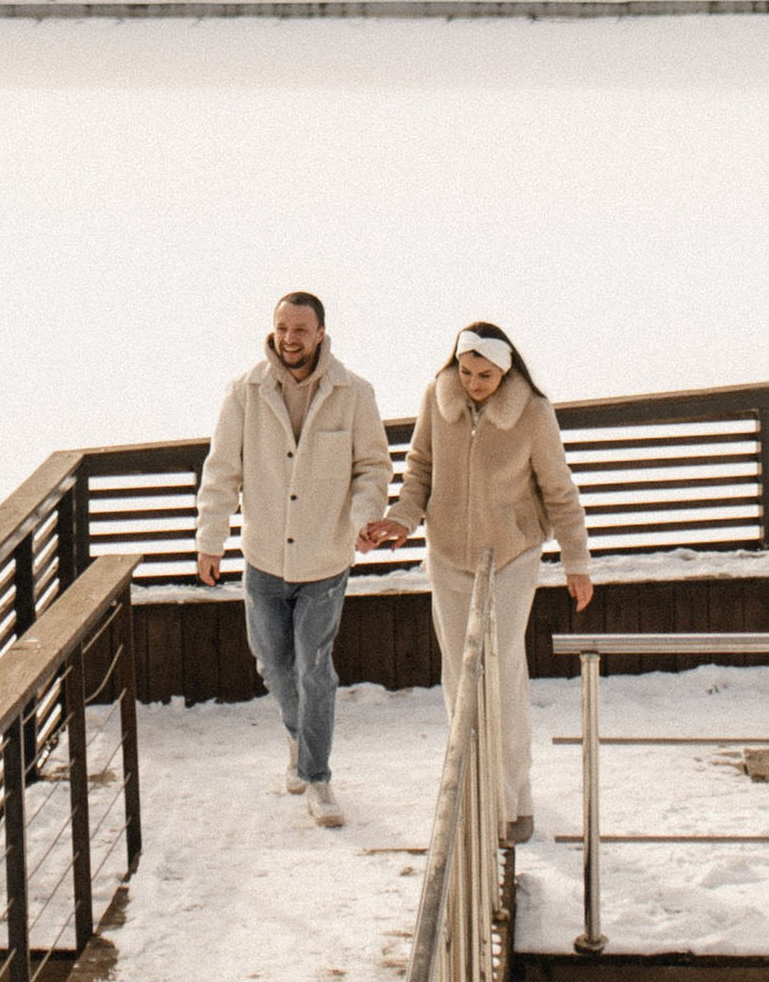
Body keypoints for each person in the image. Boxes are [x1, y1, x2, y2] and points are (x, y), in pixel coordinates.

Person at [363, 322, 591, 841]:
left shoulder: (533, 413)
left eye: (484, 375)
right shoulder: (437, 397)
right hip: (448, 555)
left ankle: (512, 798)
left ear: (505, 370)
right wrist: (402, 519)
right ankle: (473, 789)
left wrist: (576, 563)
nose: (472, 382)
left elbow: (559, 491)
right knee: (460, 675)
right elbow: (420, 469)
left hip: (511, 555)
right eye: (465, 371)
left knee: (501, 671)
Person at [196, 289, 391, 831]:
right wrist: (210, 539)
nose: (289, 339)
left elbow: (373, 468)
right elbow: (222, 470)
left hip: (325, 559)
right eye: (283, 328)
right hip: (263, 556)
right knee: (272, 664)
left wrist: (364, 518)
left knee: (314, 668)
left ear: (320, 333)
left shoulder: (355, 394)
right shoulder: (245, 391)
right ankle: (298, 737)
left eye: (301, 330)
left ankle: (318, 777)